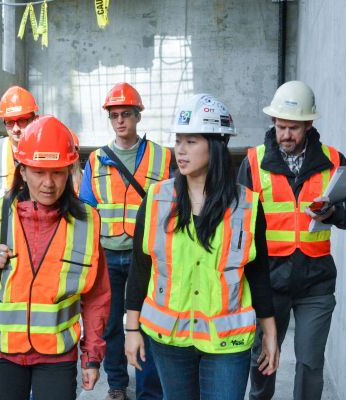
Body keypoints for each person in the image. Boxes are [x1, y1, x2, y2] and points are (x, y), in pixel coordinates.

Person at [125, 94, 280, 400]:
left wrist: (270, 334)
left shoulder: (247, 206)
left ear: (217, 146)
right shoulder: (156, 200)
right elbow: (140, 268)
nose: (180, 150)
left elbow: (259, 274)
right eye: (178, 140)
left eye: (191, 141)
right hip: (170, 340)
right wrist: (131, 331)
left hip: (228, 342)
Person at [0, 115, 111, 400]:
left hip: (57, 357)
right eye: (39, 172)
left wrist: (91, 357)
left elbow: (97, 298)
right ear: (23, 171)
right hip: (4, 352)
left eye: (57, 172)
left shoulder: (88, 223)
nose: (49, 183)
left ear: (69, 171)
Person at [237, 81, 346, 400]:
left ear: (308, 125)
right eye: (281, 127)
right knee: (263, 359)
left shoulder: (335, 161)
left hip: (316, 282)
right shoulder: (253, 162)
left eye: (293, 128)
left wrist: (332, 212)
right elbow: (237, 220)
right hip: (268, 280)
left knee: (309, 363)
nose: (286, 135)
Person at [80, 82, 170, 400]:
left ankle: (148, 391)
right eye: (115, 115)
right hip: (107, 255)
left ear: (138, 116)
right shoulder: (95, 160)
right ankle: (117, 384)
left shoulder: (163, 157)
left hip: (145, 257)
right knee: (110, 326)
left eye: (126, 114)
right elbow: (87, 210)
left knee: (146, 324)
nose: (120, 121)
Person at [0, 85, 39, 216]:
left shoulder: (46, 150)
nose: (15, 128)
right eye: (9, 122)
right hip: (3, 232)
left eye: (22, 120)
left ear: (35, 119)